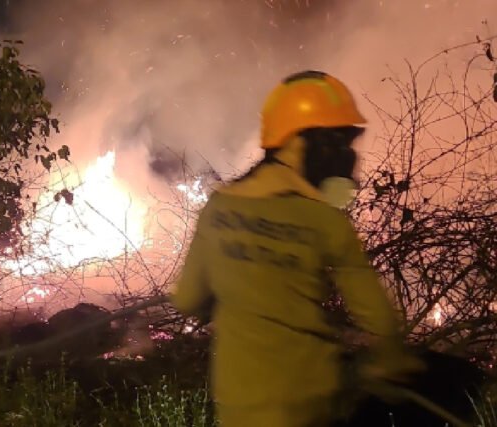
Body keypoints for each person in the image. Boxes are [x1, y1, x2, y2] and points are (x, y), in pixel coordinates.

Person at [171, 71, 423, 426]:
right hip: (313, 404)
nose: (346, 157)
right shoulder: (325, 219)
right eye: (337, 142)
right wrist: (391, 362)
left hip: (240, 406)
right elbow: (378, 318)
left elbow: (186, 300)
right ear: (301, 143)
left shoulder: (219, 209)